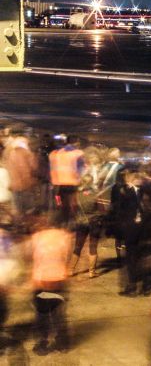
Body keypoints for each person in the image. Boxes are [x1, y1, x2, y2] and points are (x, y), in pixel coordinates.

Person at [30, 216, 73, 356]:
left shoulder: (37, 237)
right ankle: (62, 344)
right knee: (58, 313)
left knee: (42, 315)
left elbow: (32, 257)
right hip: (59, 279)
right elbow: (67, 257)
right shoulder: (64, 237)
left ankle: (43, 342)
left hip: (41, 280)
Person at [113, 171, 145, 296]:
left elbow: (121, 209)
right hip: (134, 228)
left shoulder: (130, 192)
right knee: (134, 257)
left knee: (132, 258)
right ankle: (137, 286)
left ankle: (133, 287)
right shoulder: (132, 191)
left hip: (133, 229)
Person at [68, 174, 102, 278]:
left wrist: (78, 218)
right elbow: (102, 209)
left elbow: (73, 209)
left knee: (78, 246)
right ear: (91, 182)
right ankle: (91, 272)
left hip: (81, 223)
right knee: (93, 247)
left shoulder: (77, 195)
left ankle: (71, 270)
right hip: (95, 223)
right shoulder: (97, 194)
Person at [49, 135, 85, 230]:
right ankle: (71, 225)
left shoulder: (57, 153)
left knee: (61, 204)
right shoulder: (77, 153)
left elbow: (52, 167)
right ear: (76, 142)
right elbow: (81, 169)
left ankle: (61, 223)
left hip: (58, 185)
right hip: (72, 184)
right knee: (72, 205)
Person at [3, 133, 37, 220]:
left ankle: (18, 225)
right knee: (29, 208)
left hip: (14, 186)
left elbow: (7, 168)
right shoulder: (28, 154)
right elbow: (34, 168)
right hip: (27, 185)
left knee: (17, 209)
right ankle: (27, 225)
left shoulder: (9, 154)